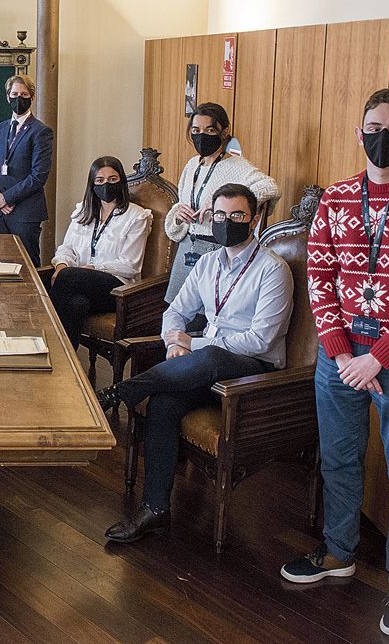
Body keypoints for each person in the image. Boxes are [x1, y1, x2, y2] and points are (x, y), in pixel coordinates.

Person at [280, 89, 389, 640]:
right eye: (375, 126)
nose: (385, 136)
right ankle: (339, 552)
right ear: (359, 133)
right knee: (338, 459)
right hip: (340, 356)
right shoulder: (335, 200)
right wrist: (341, 354)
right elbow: (321, 278)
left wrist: (376, 358)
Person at [96, 183, 292, 543]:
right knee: (164, 404)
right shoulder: (207, 262)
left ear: (254, 219)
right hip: (204, 365)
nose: (227, 222)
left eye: (237, 216)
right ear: (209, 217)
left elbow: (259, 340)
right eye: (220, 215)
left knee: (213, 354)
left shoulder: (272, 270)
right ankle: (155, 510)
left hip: (254, 372)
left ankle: (118, 392)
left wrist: (196, 343)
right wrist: (176, 343)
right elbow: (175, 312)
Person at [165, 103, 279, 306]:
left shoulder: (238, 166)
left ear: (224, 132)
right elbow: (180, 205)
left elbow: (270, 187)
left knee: (206, 316)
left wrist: (223, 202)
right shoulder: (192, 165)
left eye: (209, 130)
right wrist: (178, 214)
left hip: (215, 248)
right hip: (186, 249)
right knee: (176, 311)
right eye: (195, 131)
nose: (201, 136)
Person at [49, 156, 153, 348]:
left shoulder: (137, 216)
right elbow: (66, 248)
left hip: (117, 289)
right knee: (76, 304)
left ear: (121, 180)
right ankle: (66, 360)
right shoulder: (83, 211)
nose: (106, 184)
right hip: (79, 282)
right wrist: (62, 264)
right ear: (92, 184)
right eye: (100, 180)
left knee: (68, 277)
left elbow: (130, 265)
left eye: (112, 179)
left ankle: (46, 340)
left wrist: (92, 268)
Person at [0, 74, 53, 266]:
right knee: (1, 263)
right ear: (8, 97)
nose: (18, 99)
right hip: (0, 212)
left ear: (32, 98)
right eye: (14, 94)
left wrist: (7, 198)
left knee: (27, 264)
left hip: (26, 212)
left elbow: (38, 176)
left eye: (23, 94)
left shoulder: (41, 131)